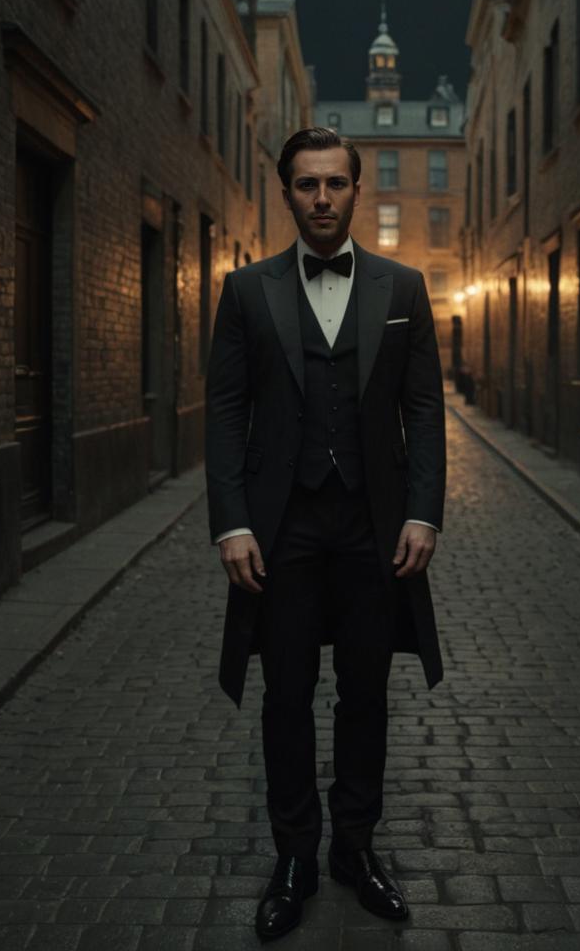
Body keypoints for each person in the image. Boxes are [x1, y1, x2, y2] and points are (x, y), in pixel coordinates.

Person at [205, 127, 446, 940]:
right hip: (283, 529)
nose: (321, 198)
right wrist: (232, 522)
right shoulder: (246, 291)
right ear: (287, 194)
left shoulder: (405, 288)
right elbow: (226, 412)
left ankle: (355, 847)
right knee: (286, 696)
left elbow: (423, 410)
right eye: (306, 185)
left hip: (375, 529)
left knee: (368, 694)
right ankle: (295, 856)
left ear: (355, 190)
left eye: (335, 184)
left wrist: (422, 511)